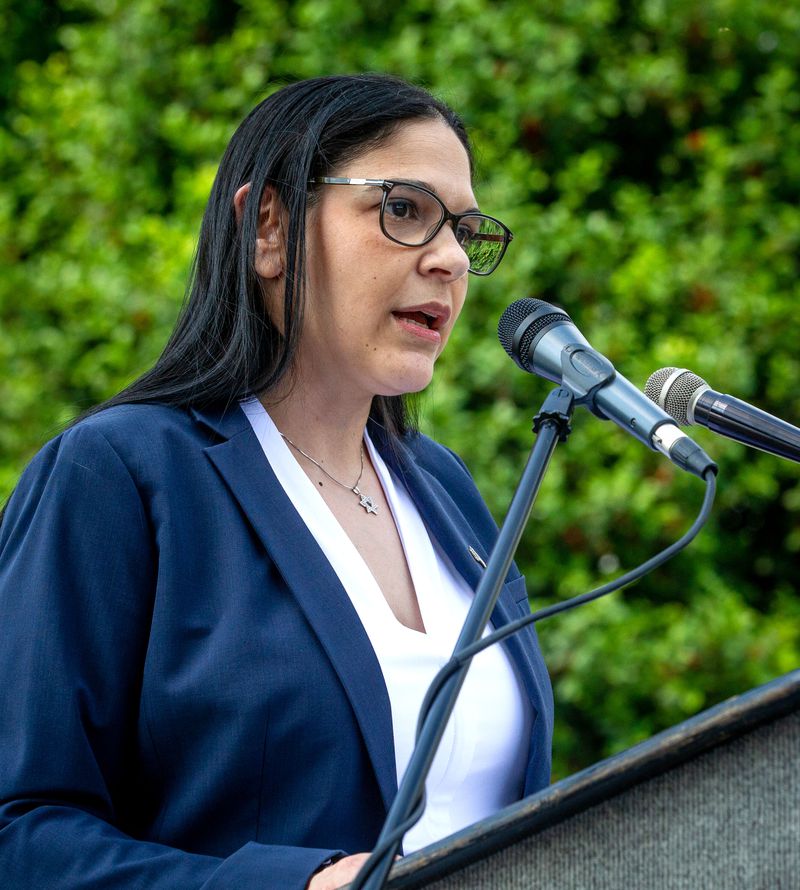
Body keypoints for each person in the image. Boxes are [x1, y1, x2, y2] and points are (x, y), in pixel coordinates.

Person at [0, 74, 553, 890]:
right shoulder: (120, 473)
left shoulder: (445, 490)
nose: (447, 260)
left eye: (466, 232)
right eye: (403, 210)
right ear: (268, 227)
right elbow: (22, 831)